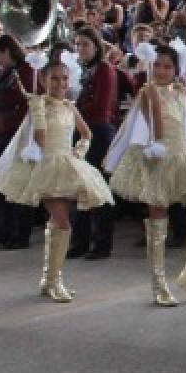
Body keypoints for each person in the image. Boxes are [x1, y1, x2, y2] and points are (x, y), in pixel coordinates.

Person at [0, 50, 114, 302]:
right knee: (62, 223)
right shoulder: (39, 104)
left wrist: (78, 152)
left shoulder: (69, 106)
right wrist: (37, 112)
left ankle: (48, 280)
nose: (60, 84)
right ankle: (55, 280)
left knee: (57, 223)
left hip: (66, 164)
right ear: (43, 81)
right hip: (47, 166)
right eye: (54, 79)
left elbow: (87, 134)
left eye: (64, 79)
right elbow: (41, 140)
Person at [106, 44, 186, 307]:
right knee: (157, 217)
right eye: (157, 65)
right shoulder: (148, 91)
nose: (161, 71)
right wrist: (157, 139)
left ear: (176, 70)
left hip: (181, 156)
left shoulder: (181, 91)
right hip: (159, 156)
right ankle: (159, 284)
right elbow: (154, 120)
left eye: (167, 66)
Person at [65, 28, 118, 260]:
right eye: (77, 44)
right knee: (80, 188)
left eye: (85, 44)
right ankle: (80, 241)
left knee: (97, 188)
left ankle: (102, 242)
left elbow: (101, 106)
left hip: (97, 131)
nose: (81, 49)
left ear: (96, 46)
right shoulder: (84, 71)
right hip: (82, 131)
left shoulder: (104, 70)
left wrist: (71, 108)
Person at [0, 35, 35, 250]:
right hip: (3, 132)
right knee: (2, 183)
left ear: (8, 51)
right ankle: (4, 231)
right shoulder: (5, 73)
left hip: (19, 134)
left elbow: (19, 99)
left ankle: (20, 232)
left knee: (19, 184)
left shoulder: (25, 70)